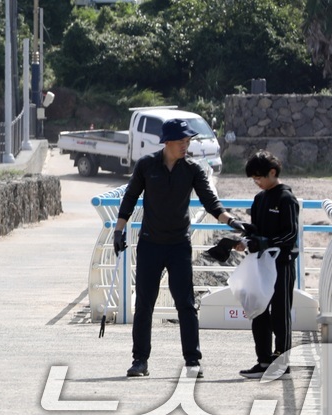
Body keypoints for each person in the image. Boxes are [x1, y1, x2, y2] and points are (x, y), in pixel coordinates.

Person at [114, 118, 237, 378]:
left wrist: (231, 221)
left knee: (186, 304)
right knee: (145, 303)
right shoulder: (147, 165)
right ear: (168, 142)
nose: (186, 145)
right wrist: (118, 230)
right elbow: (130, 197)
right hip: (150, 244)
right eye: (182, 141)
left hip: (179, 244)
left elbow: (210, 201)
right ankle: (140, 361)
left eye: (188, 141)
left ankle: (192, 361)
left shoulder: (192, 170)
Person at [235, 150, 300, 379]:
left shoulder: (286, 199)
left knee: (280, 313)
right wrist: (245, 240)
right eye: (254, 179)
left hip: (281, 264)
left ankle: (281, 361)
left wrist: (264, 243)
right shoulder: (260, 199)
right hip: (260, 265)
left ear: (273, 173)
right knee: (258, 310)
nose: (257, 182)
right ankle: (263, 360)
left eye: (259, 178)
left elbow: (290, 235)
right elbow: (256, 230)